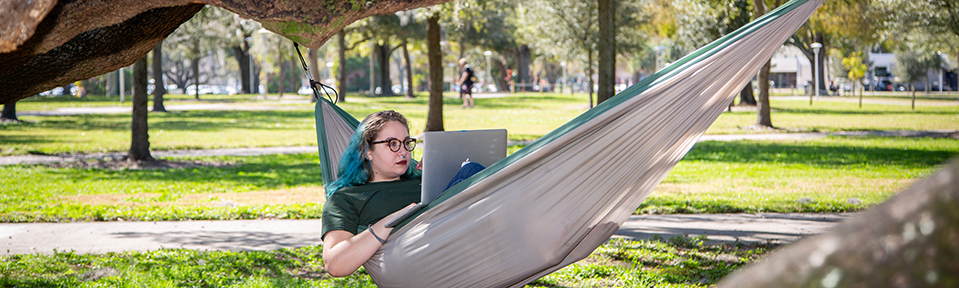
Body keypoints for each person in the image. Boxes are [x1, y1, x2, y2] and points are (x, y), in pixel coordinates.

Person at [321, 110, 484, 277]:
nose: (403, 152)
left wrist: (437, 172)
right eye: (392, 144)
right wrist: (394, 219)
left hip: (464, 242)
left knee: (473, 172)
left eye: (406, 143)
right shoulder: (346, 198)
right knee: (472, 171)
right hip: (422, 256)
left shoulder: (422, 181)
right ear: (367, 151)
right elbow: (335, 264)